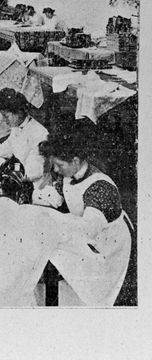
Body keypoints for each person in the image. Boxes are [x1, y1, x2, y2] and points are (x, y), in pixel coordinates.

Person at [36, 125, 132, 306]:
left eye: (59, 165)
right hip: (88, 232)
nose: (55, 170)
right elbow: (58, 196)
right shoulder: (70, 174)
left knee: (84, 282)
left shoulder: (100, 187)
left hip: (108, 245)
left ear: (75, 160)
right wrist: (33, 201)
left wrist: (51, 217)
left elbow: (89, 229)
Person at [0, 88, 48, 187]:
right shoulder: (17, 127)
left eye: (6, 116)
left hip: (33, 185)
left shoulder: (38, 133)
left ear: (19, 112)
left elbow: (35, 170)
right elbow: (9, 147)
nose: (4, 120)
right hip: (16, 176)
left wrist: (5, 174)